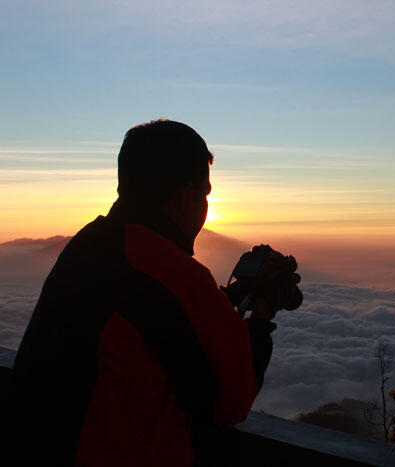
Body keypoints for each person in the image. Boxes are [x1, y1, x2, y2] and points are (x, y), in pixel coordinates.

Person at [12, 119, 293, 466]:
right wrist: (261, 320)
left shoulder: (89, 245)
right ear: (187, 195)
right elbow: (230, 400)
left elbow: (153, 322)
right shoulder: (175, 275)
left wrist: (227, 301)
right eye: (205, 195)